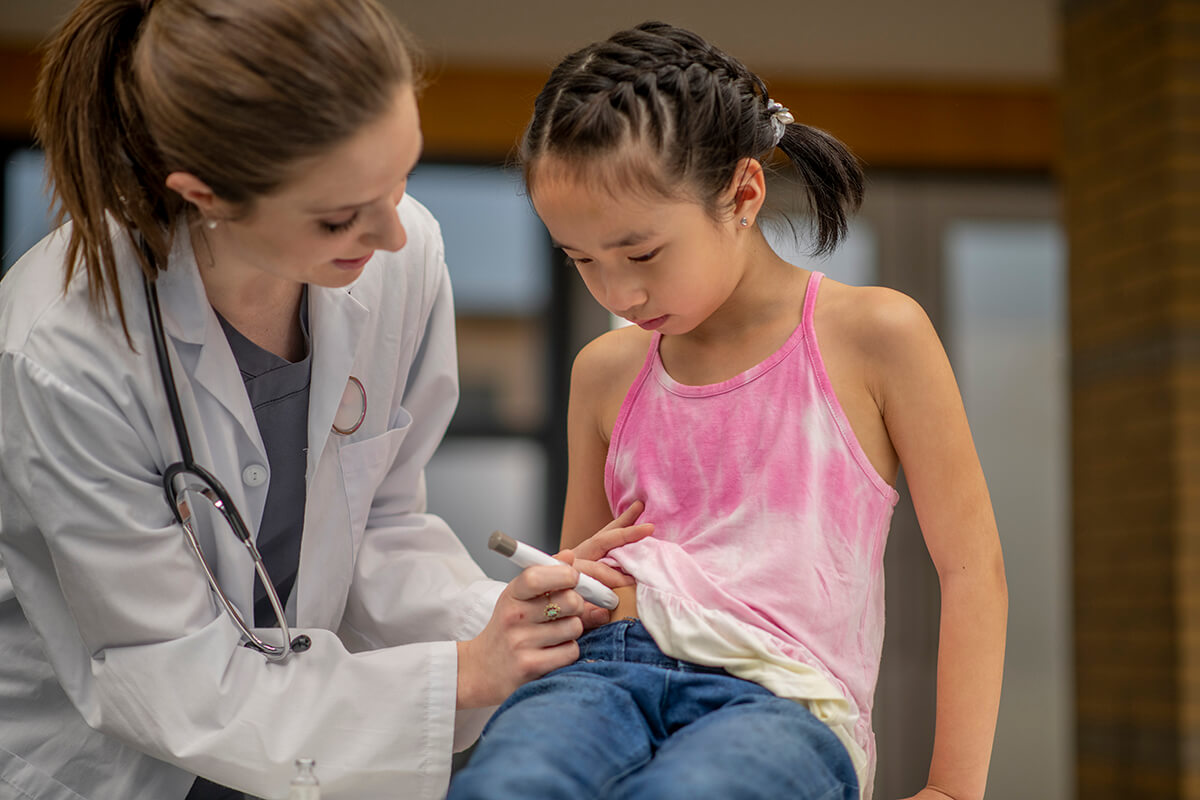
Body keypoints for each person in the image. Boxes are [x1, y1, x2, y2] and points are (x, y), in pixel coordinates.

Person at [0, 1, 650, 798]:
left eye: (401, 178)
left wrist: (500, 626)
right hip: (109, 763)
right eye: (341, 215)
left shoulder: (396, 263)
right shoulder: (66, 351)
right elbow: (165, 670)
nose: (395, 235)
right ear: (206, 195)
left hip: (309, 739)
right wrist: (462, 675)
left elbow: (378, 524)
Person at [447, 21, 1008, 800]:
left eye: (641, 254)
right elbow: (577, 578)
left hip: (782, 696)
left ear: (742, 194)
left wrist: (953, 787)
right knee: (503, 786)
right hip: (602, 675)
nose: (617, 294)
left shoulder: (876, 336)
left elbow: (972, 568)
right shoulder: (604, 371)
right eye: (579, 260)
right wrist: (560, 583)